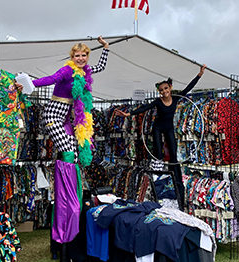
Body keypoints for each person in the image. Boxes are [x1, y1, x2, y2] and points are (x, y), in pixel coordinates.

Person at [115, 64, 207, 208]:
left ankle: (175, 177)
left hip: (169, 128)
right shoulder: (158, 101)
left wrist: (199, 74)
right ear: (159, 92)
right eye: (161, 90)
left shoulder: (176, 98)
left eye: (166, 88)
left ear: (170, 88)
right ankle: (157, 177)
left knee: (173, 155)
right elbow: (144, 108)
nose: (164, 91)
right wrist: (128, 114)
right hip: (157, 128)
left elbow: (189, 88)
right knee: (158, 154)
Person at [16, 35, 110, 166]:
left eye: (83, 55)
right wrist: (31, 83)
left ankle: (73, 185)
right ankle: (66, 185)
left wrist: (105, 47)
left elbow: (100, 66)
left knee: (75, 155)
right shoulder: (67, 70)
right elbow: (51, 79)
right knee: (68, 151)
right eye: (77, 56)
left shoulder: (85, 71)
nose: (80, 59)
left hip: (65, 119)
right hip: (53, 115)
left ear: (87, 57)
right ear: (72, 57)